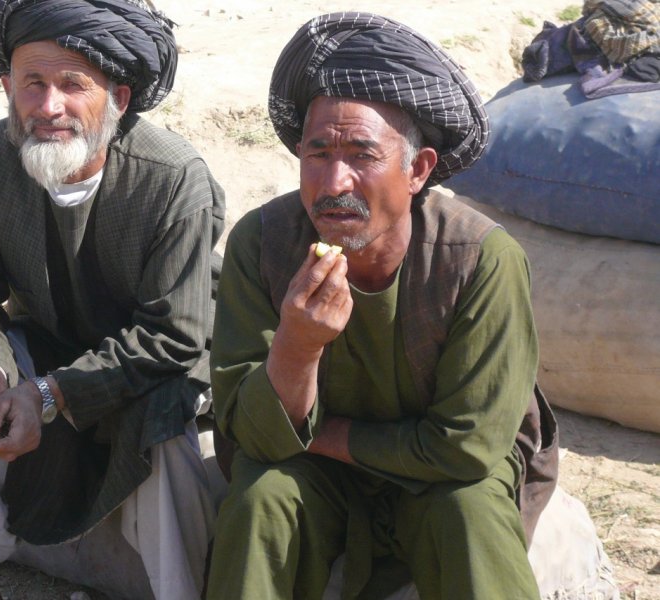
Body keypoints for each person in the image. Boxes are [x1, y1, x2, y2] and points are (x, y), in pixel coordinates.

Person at [206, 12, 558, 600]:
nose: (334, 180)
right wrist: (297, 344)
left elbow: (465, 448)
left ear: (417, 169)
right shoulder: (263, 246)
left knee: (469, 510)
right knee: (262, 497)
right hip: (318, 480)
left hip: (440, 479)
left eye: (362, 155)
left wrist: (317, 435)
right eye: (317, 153)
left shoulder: (478, 260)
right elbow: (254, 439)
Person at [0, 1, 225, 599]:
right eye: (32, 83)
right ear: (6, 87)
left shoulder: (173, 178)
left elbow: (174, 334)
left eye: (72, 84)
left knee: (160, 421)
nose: (49, 106)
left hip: (152, 364)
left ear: (119, 96)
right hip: (52, 342)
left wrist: (48, 396)